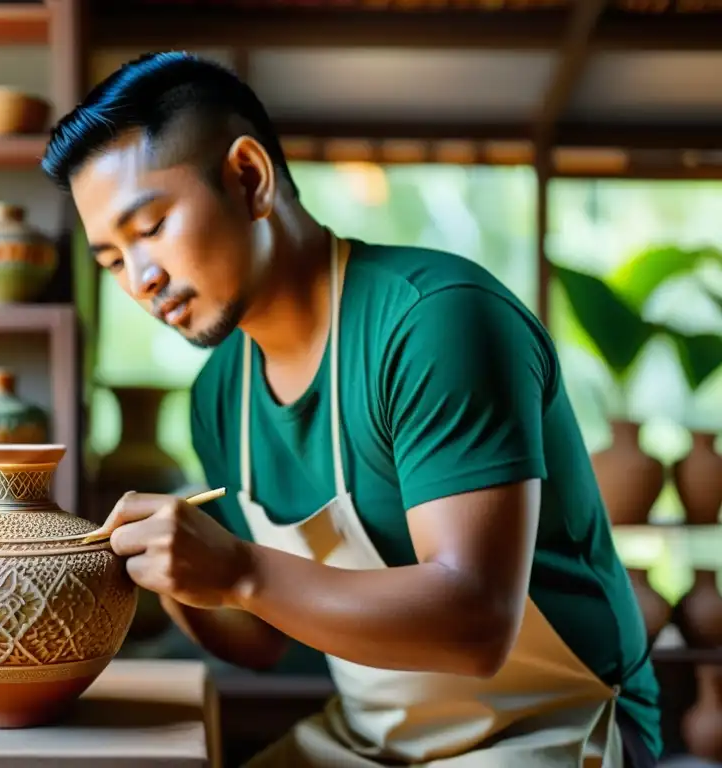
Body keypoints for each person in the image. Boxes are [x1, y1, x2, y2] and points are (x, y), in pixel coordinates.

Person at [41, 51, 661, 768]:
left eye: (149, 227)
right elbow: (263, 642)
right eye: (112, 260)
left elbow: (476, 624)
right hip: (371, 740)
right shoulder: (220, 394)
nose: (141, 279)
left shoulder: (437, 323)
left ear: (250, 178)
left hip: (552, 729)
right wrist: (175, 579)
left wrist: (239, 570)